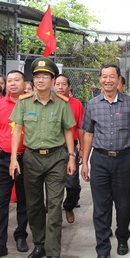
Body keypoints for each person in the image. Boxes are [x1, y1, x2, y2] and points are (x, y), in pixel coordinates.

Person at [9, 58, 76, 258]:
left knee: (55, 206)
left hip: (57, 158)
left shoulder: (63, 104)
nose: (40, 80)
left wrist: (72, 156)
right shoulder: (24, 102)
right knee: (35, 205)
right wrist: (13, 159)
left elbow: (68, 130)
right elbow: (17, 130)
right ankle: (39, 244)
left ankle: (53, 253)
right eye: (36, 76)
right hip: (31, 158)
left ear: (53, 79)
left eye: (45, 76)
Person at [80, 64, 130, 258]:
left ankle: (123, 236)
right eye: (104, 76)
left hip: (124, 160)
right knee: (101, 206)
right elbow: (88, 134)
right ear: (100, 79)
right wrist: (85, 161)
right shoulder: (92, 104)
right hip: (99, 160)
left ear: (119, 79)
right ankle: (103, 250)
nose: (108, 80)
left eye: (112, 76)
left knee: (124, 204)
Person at [0, 70, 29, 258]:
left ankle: (21, 236)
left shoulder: (30, 103)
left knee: (24, 200)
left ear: (23, 83)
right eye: (9, 81)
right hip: (2, 158)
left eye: (16, 80)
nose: (12, 84)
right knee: (0, 200)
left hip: (25, 158)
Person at [53, 74, 85, 224]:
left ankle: (69, 205)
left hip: (70, 147)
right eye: (57, 84)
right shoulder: (48, 102)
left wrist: (82, 146)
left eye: (63, 84)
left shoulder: (76, 104)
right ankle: (54, 216)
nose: (60, 87)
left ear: (69, 87)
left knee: (72, 184)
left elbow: (80, 126)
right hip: (52, 147)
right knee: (53, 184)